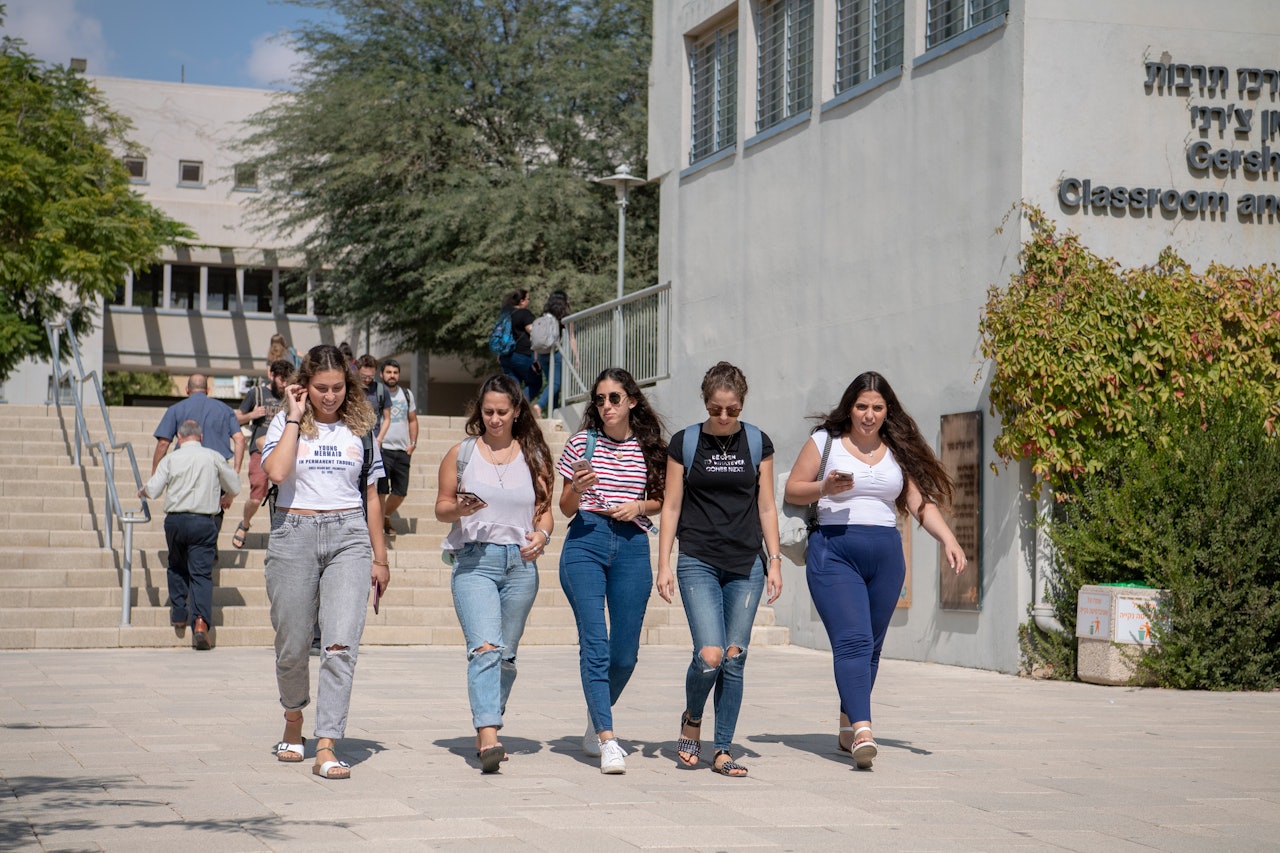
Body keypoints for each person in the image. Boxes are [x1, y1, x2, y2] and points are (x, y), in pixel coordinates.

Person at [783, 371, 967, 770]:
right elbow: (792, 488)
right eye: (862, 406)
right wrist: (824, 488)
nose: (869, 415)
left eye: (877, 408)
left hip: (886, 555)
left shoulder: (896, 450)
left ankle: (848, 724)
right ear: (850, 407)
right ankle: (865, 731)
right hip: (834, 551)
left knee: (871, 647)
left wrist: (948, 539)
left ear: (888, 411)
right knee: (852, 641)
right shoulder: (825, 443)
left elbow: (920, 504)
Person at [261, 344, 389, 781]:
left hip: (349, 537)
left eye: (337, 388)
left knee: (339, 645)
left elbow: (372, 496)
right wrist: (296, 416)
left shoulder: (362, 429)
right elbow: (276, 474)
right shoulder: (283, 421)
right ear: (304, 385)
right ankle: (293, 721)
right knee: (293, 645)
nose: (329, 396)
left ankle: (328, 744)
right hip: (292, 535)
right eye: (320, 388)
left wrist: (381, 557)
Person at [655, 362, 782, 777]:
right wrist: (664, 564)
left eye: (732, 409)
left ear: (742, 404)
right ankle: (693, 718)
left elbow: (766, 505)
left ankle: (723, 748)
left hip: (747, 565)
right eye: (716, 409)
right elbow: (671, 506)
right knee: (709, 655)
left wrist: (776, 560)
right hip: (698, 561)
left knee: (734, 656)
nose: (724, 418)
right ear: (706, 403)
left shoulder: (758, 442)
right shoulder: (685, 442)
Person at [435, 374, 555, 773]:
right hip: (475, 562)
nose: (495, 419)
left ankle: (488, 720)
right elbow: (441, 508)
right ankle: (489, 734)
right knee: (485, 647)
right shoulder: (462, 453)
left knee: (506, 656)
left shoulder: (534, 455)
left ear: (517, 411)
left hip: (521, 566)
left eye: (503, 412)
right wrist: (460, 510)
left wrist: (542, 534)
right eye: (488, 412)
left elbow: (544, 511)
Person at [556, 367, 667, 774]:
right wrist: (578, 488)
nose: (606, 406)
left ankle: (594, 714)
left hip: (633, 545)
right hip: (586, 539)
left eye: (614, 398)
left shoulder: (651, 448)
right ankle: (607, 738)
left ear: (632, 401)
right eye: (600, 399)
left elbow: (662, 499)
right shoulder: (580, 444)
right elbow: (565, 507)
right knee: (596, 644)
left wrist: (638, 507)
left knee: (625, 655)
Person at [140, 419, 241, 650]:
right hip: (204, 521)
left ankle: (178, 614)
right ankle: (200, 622)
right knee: (201, 574)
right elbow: (235, 486)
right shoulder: (213, 457)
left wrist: (142, 491)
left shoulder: (171, 459)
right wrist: (224, 495)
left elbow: (153, 490)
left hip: (175, 520)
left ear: (179, 437)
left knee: (176, 565)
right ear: (201, 437)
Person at [232, 359, 293, 549]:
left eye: (287, 380)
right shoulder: (256, 393)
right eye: (281, 380)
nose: (284, 384)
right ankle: (245, 523)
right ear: (272, 376)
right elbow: (235, 419)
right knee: (257, 494)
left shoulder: (291, 396)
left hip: (285, 450)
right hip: (260, 450)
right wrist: (251, 415)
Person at [378, 358, 418, 536]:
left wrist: (413, 444)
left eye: (395, 372)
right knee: (381, 491)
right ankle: (378, 523)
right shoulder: (377, 393)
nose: (392, 375)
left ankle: (384, 515)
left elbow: (412, 420)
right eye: (388, 372)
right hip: (383, 449)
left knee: (400, 492)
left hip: (402, 450)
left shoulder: (406, 394)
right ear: (382, 374)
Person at [533, 290, 573, 417]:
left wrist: (536, 358)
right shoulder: (565, 317)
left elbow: (536, 338)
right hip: (556, 353)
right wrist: (576, 358)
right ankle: (539, 405)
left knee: (551, 385)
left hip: (542, 354)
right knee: (555, 384)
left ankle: (553, 414)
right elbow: (571, 338)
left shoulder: (543, 316)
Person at [497, 289, 540, 403]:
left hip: (505, 356)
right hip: (522, 354)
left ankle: (509, 407)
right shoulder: (524, 313)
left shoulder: (504, 315)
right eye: (528, 299)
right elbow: (531, 330)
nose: (529, 302)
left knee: (512, 387)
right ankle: (520, 406)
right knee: (535, 382)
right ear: (521, 301)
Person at [356, 354, 392, 448]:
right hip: (353, 438)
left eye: (371, 377)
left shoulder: (382, 390)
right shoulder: (350, 389)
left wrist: (379, 439)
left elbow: (387, 418)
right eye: (363, 376)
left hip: (373, 440)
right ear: (357, 370)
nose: (367, 380)